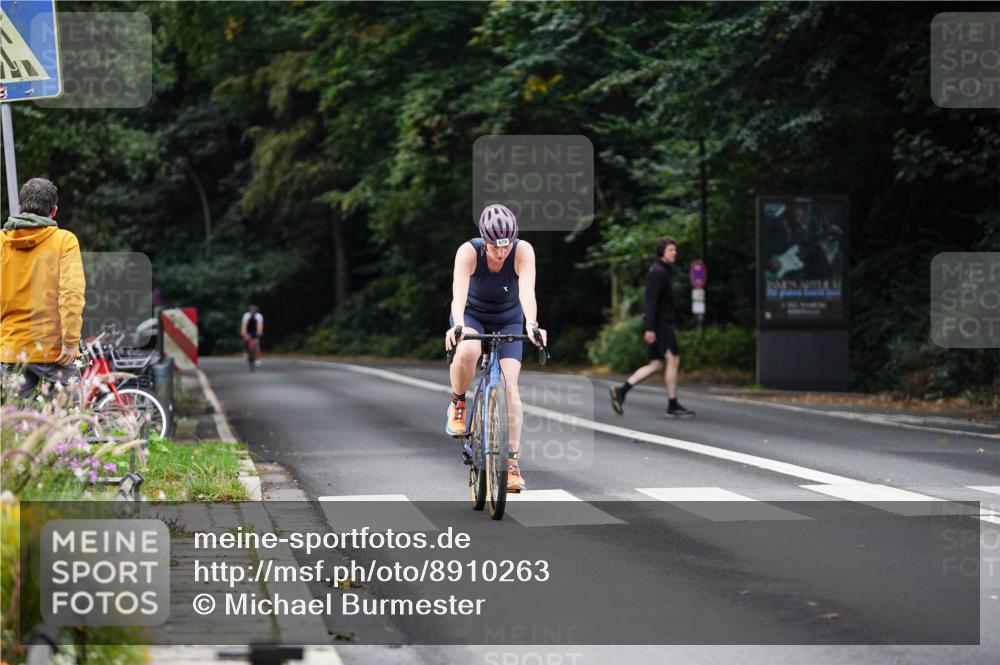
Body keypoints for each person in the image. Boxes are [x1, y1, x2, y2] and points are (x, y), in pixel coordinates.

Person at [444, 204, 547, 492]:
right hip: (472, 316)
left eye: (506, 246)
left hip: (509, 320)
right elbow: (458, 295)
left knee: (510, 387)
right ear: (484, 240)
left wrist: (532, 325)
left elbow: (527, 290)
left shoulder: (523, 251)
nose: (501, 252)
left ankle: (511, 463)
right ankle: (458, 403)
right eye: (494, 247)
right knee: (467, 351)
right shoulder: (468, 252)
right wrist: (459, 325)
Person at [0, 178, 85, 401]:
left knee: (12, 429)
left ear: (20, 207)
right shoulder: (65, 241)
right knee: (66, 428)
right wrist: (70, 341)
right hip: (55, 350)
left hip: (11, 349)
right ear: (54, 211)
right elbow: (71, 294)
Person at [609, 236, 695, 418]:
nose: (675, 253)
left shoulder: (661, 271)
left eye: (675, 250)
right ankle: (672, 404)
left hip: (658, 324)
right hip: (660, 324)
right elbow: (650, 302)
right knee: (674, 360)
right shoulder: (658, 272)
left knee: (656, 365)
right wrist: (650, 329)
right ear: (662, 251)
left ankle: (621, 391)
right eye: (671, 250)